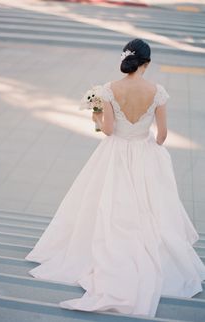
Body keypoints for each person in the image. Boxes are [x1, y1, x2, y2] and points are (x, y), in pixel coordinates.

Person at [25, 39, 205, 317]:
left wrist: (97, 116)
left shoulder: (109, 89)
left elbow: (108, 131)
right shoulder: (158, 92)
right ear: (147, 63)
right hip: (144, 154)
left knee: (109, 204)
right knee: (148, 206)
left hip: (115, 153)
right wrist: (147, 143)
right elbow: (162, 136)